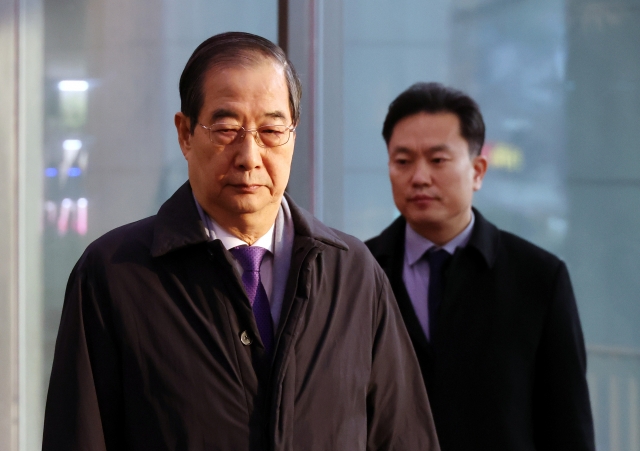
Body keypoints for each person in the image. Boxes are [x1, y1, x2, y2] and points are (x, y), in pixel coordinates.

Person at [42, 33, 439, 451]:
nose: (249, 155)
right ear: (185, 134)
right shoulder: (114, 274)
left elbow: (402, 436)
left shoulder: (353, 273)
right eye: (227, 128)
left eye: (271, 130)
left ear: (293, 135)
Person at [366, 82, 595, 451]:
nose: (419, 177)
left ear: (478, 170)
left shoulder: (538, 278)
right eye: (403, 161)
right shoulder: (358, 274)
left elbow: (568, 426)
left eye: (438, 160)